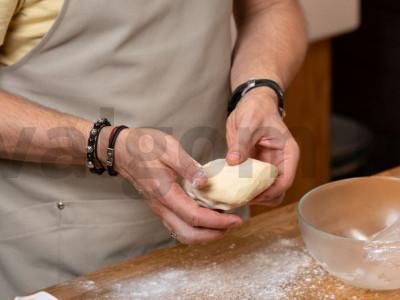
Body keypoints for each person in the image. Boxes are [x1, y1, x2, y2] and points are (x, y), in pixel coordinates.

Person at [0, 0, 307, 297]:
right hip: (70, 258)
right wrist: (109, 145)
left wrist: (260, 90)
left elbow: (271, 7)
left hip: (220, 236)